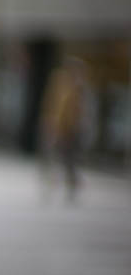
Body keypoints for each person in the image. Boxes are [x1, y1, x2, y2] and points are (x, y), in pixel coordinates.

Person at [40, 57, 91, 202]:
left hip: (70, 130)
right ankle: (51, 184)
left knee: (69, 160)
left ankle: (71, 185)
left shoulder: (79, 88)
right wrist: (50, 123)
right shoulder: (60, 84)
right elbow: (52, 106)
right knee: (53, 158)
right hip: (58, 128)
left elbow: (79, 113)